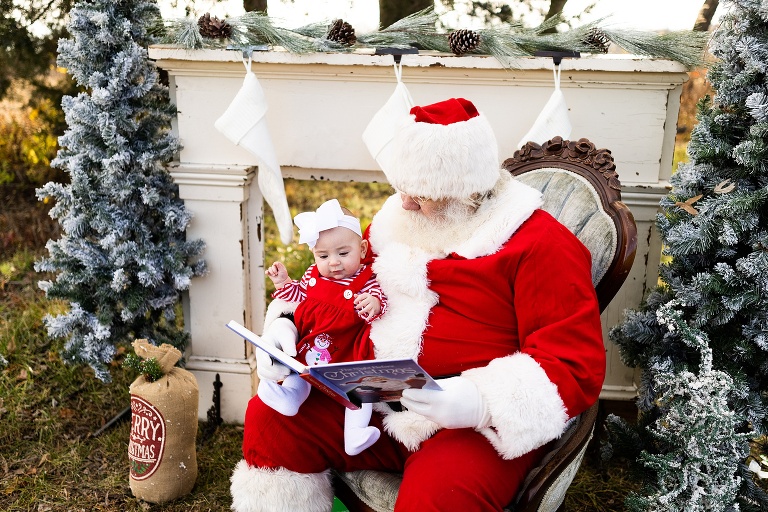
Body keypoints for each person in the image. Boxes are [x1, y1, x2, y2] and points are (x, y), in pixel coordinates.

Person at [231, 98, 606, 512]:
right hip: (373, 399)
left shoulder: (542, 245)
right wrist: (285, 328)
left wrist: (479, 401)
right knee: (271, 419)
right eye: (402, 188)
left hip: (469, 426)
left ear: (466, 190)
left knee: (441, 495)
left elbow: (572, 363)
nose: (404, 203)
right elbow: (331, 282)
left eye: (421, 194)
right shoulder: (400, 219)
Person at [258, 198, 387, 456]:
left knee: (361, 392)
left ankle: (355, 435)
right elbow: (297, 297)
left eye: (343, 253)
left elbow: (381, 300)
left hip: (347, 352)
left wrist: (373, 303)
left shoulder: (366, 279)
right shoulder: (312, 276)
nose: (334, 263)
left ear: (362, 249)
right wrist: (283, 282)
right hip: (311, 345)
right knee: (299, 374)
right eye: (323, 256)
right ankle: (288, 399)